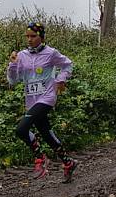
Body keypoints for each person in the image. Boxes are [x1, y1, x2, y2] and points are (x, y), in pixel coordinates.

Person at [7, 21, 78, 183]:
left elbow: (68, 65)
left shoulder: (51, 53)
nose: (30, 39)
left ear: (41, 37)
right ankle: (68, 162)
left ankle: (40, 158)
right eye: (28, 37)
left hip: (47, 97)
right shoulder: (22, 55)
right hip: (31, 101)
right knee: (47, 134)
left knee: (21, 129)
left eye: (33, 36)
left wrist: (61, 79)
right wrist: (12, 64)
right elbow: (13, 80)